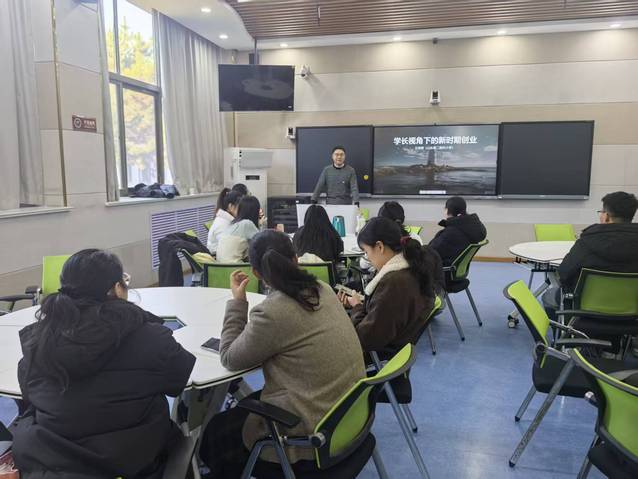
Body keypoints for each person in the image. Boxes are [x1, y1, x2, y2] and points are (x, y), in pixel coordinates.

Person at [11, 249, 195, 479]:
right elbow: (178, 379)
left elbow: (28, 392)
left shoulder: (39, 341)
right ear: (117, 288)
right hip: (132, 464)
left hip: (49, 465)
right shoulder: (151, 338)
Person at [200, 230, 365, 477]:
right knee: (245, 408)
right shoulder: (323, 289)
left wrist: (238, 301)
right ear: (296, 259)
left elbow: (229, 358)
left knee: (215, 434)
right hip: (345, 418)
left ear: (256, 273)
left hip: (309, 437)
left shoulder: (273, 312)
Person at [340, 217, 436, 352]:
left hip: (377, 353)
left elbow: (365, 339)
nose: (368, 258)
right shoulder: (411, 268)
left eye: (367, 252)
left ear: (380, 247)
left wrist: (357, 306)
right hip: (396, 345)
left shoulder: (393, 284)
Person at [558, 191, 638, 292]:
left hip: (585, 300)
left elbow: (564, 273)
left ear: (607, 216)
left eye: (602, 212)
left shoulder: (586, 242)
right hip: (632, 300)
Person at [377, 201, 444, 294]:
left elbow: (365, 265)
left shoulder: (380, 242)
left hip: (391, 289)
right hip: (416, 289)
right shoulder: (415, 238)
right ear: (403, 218)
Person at [429, 196, 487, 266]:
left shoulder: (451, 233)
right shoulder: (470, 228)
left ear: (447, 210)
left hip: (442, 268)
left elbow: (431, 252)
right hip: (454, 267)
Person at [216, 195, 261, 263]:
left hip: (220, 267)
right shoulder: (247, 223)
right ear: (255, 212)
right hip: (237, 267)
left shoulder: (233, 224)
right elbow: (263, 242)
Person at [208, 187, 243, 253]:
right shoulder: (223, 224)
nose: (242, 210)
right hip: (219, 257)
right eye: (240, 207)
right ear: (231, 206)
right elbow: (227, 248)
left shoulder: (226, 219)